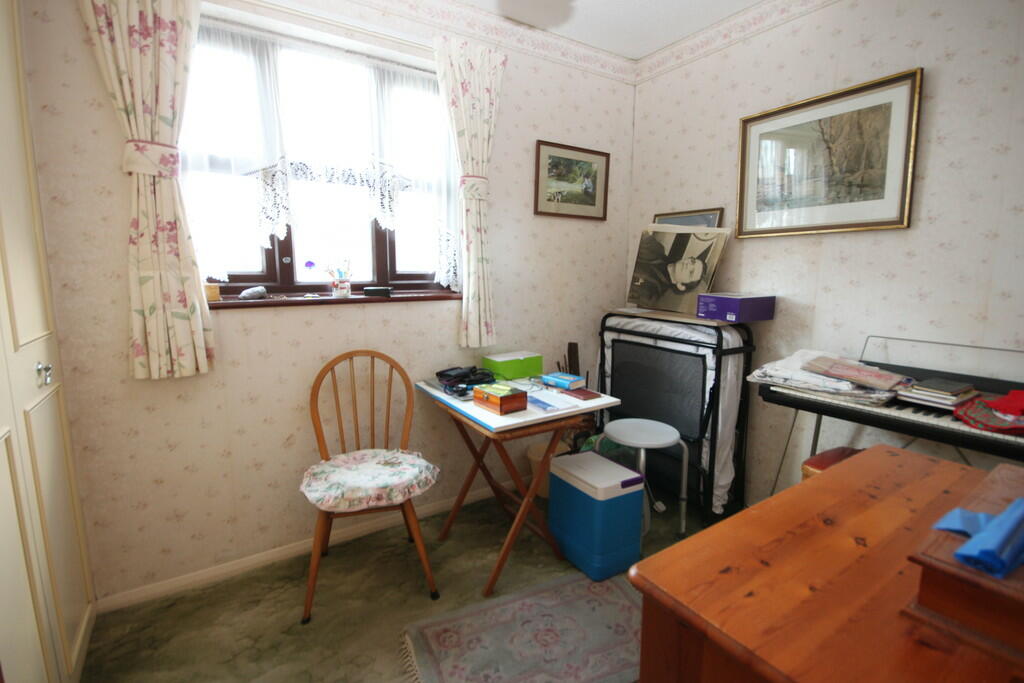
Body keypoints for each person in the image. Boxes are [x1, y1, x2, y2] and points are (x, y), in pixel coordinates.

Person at [629, 232, 710, 308]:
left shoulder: (650, 294)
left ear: (680, 286)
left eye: (691, 272)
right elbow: (637, 233)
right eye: (692, 261)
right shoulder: (658, 249)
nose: (688, 265)